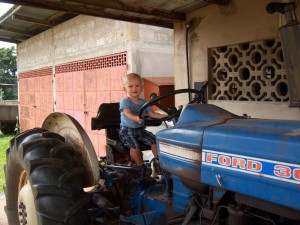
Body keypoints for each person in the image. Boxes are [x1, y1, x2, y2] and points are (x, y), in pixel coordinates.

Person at [119, 73, 165, 173]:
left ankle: (158, 162)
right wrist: (136, 118)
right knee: (134, 146)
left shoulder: (144, 102)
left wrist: (165, 116)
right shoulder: (125, 101)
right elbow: (127, 113)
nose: (134, 88)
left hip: (140, 130)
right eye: (130, 86)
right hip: (127, 131)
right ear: (124, 89)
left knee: (154, 139)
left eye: (137, 85)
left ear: (142, 87)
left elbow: (152, 113)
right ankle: (141, 165)